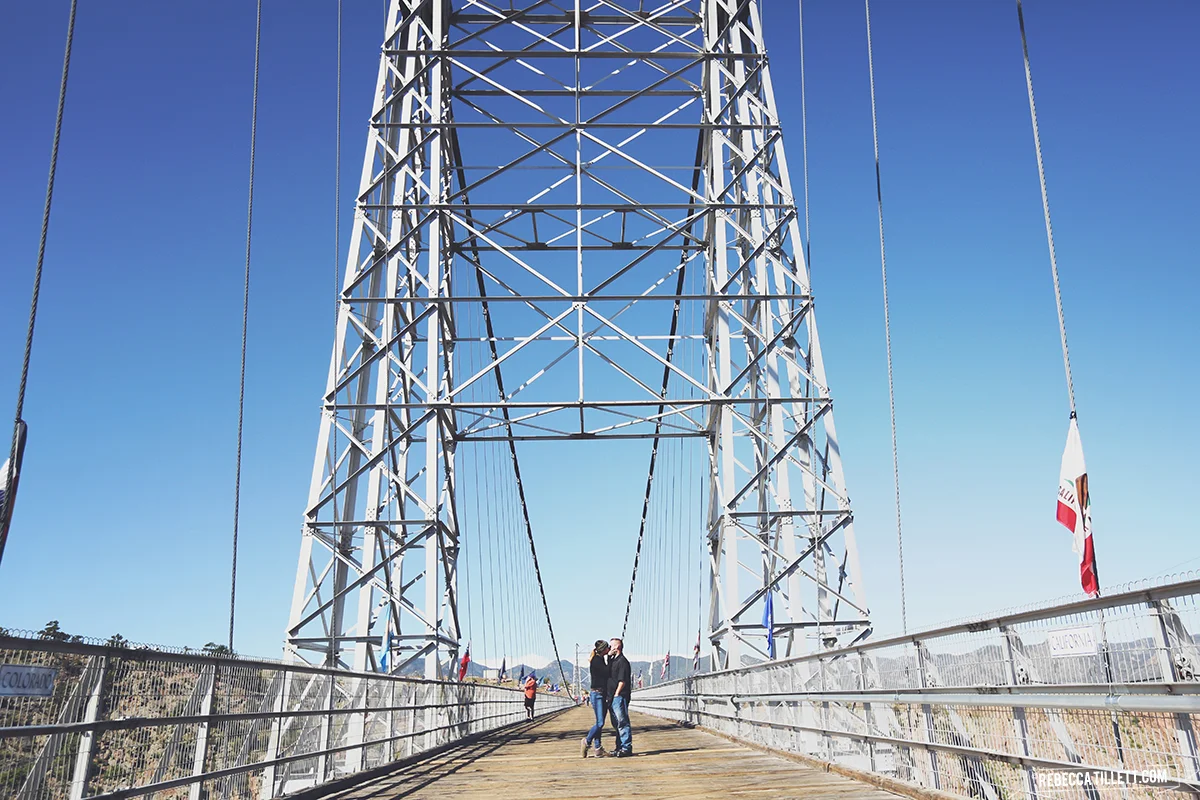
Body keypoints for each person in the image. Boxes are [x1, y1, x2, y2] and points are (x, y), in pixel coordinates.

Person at [580, 639, 611, 758]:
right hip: (597, 694)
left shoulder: (600, 659)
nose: (609, 649)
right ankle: (587, 741)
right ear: (603, 649)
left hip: (601, 694)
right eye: (607, 648)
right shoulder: (597, 661)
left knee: (600, 723)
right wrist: (611, 659)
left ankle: (598, 748)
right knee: (600, 722)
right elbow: (607, 672)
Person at [606, 637, 633, 756]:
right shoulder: (613, 660)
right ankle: (619, 747)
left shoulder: (622, 662)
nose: (608, 648)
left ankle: (626, 748)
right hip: (612, 697)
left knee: (622, 722)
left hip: (619, 696)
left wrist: (617, 693)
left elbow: (622, 680)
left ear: (616, 647)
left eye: (610, 646)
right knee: (616, 724)